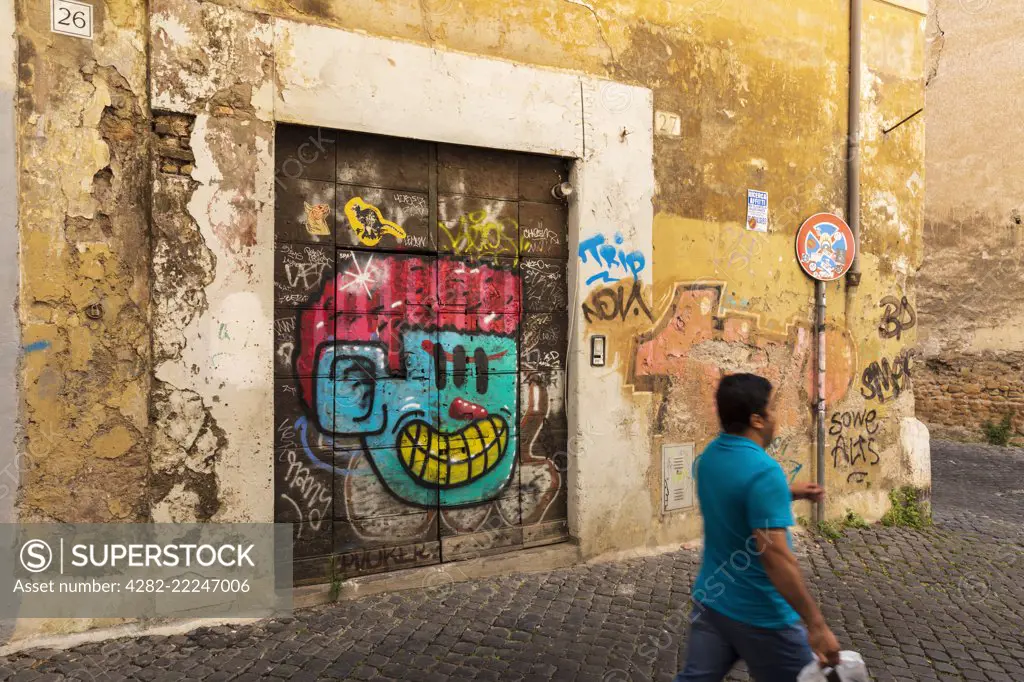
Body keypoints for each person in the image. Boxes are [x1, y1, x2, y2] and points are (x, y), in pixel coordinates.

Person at [673, 373, 841, 682]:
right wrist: (816, 624)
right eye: (773, 408)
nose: (777, 416)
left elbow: (734, 496)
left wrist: (788, 492)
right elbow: (776, 558)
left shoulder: (709, 458)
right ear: (757, 420)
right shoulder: (765, 472)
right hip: (763, 614)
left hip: (713, 603)